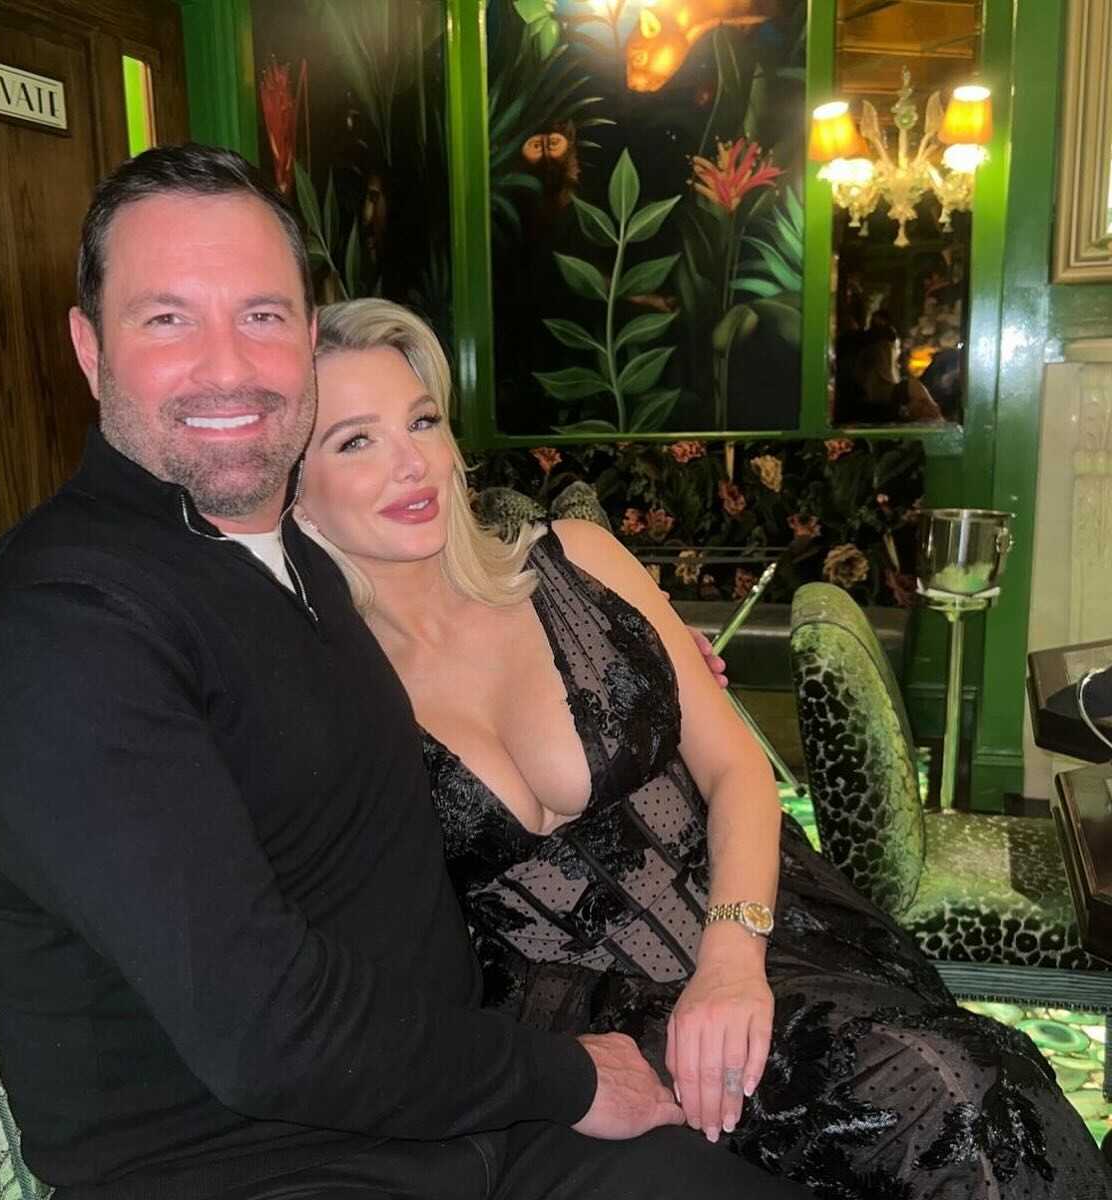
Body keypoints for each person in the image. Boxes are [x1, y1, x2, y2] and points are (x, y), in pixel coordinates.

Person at [0, 146, 806, 1200]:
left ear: (308, 338)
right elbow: (264, 1030)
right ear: (89, 346)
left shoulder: (292, 559)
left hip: (462, 1113)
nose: (227, 366)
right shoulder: (58, 626)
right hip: (253, 1167)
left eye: (262, 315)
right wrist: (566, 1076)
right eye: (167, 319)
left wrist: (636, 655)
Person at [295, 296, 1112, 1199]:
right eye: (355, 441)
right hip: (577, 1020)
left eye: (423, 421)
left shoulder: (574, 562)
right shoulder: (319, 691)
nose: (414, 462)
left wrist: (730, 962)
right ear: (293, 488)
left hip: (752, 923)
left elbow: (738, 770)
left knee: (969, 1088)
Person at [835, 322, 944, 426]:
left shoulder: (908, 390)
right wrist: (904, 412)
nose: (899, 364)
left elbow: (938, 422)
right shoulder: (908, 390)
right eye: (896, 358)